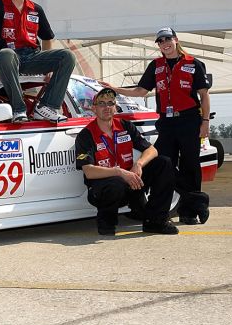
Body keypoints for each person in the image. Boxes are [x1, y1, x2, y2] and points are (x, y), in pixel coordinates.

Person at [102, 27, 211, 225]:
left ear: (176, 40)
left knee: (191, 167)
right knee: (162, 163)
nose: (164, 44)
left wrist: (205, 122)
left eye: (168, 39)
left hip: (189, 121)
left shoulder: (193, 64)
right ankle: (197, 200)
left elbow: (204, 95)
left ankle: (189, 212)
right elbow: (141, 90)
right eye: (160, 41)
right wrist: (114, 89)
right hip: (167, 123)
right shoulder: (156, 65)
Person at [74, 87, 179, 236]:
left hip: (131, 182)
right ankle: (106, 223)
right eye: (102, 103)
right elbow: (89, 171)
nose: (106, 107)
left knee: (164, 163)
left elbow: (152, 150)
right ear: (94, 108)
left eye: (110, 103)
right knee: (115, 182)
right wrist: (119, 172)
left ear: (115, 107)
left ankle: (156, 221)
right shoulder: (86, 135)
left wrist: (139, 164)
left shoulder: (125, 126)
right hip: (105, 189)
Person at [0, 0, 75, 123]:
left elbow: (47, 37)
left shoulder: (35, 9)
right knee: (6, 54)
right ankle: (19, 110)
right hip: (8, 58)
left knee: (68, 56)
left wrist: (49, 70)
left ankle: (47, 107)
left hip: (32, 56)